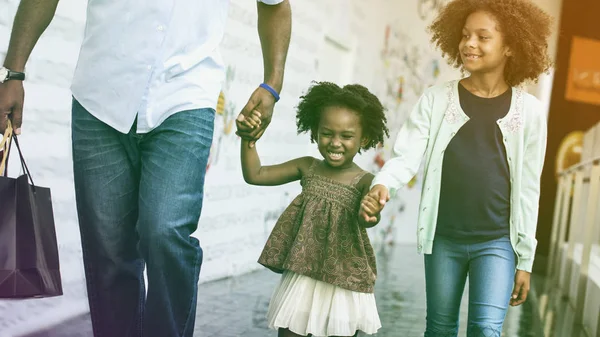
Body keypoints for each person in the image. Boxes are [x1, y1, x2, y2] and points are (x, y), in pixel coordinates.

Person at [0, 0, 291, 336]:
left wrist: (273, 84)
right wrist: (14, 72)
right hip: (100, 96)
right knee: (108, 253)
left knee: (165, 230)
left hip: (185, 97)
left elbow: (275, 5)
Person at [359, 0, 552, 336]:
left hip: (497, 242)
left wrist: (526, 259)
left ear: (510, 46)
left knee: (486, 329)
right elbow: (406, 155)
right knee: (439, 328)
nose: (469, 44)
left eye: (482, 37)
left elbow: (529, 190)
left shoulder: (531, 112)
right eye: (465, 35)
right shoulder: (436, 100)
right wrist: (383, 184)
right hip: (444, 239)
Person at [237, 81, 388, 337]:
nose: (335, 143)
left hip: (343, 280)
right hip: (303, 276)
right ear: (314, 131)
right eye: (327, 133)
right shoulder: (307, 167)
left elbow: (369, 219)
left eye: (347, 136)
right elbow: (255, 174)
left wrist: (370, 213)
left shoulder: (365, 181)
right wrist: (248, 139)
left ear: (363, 138)